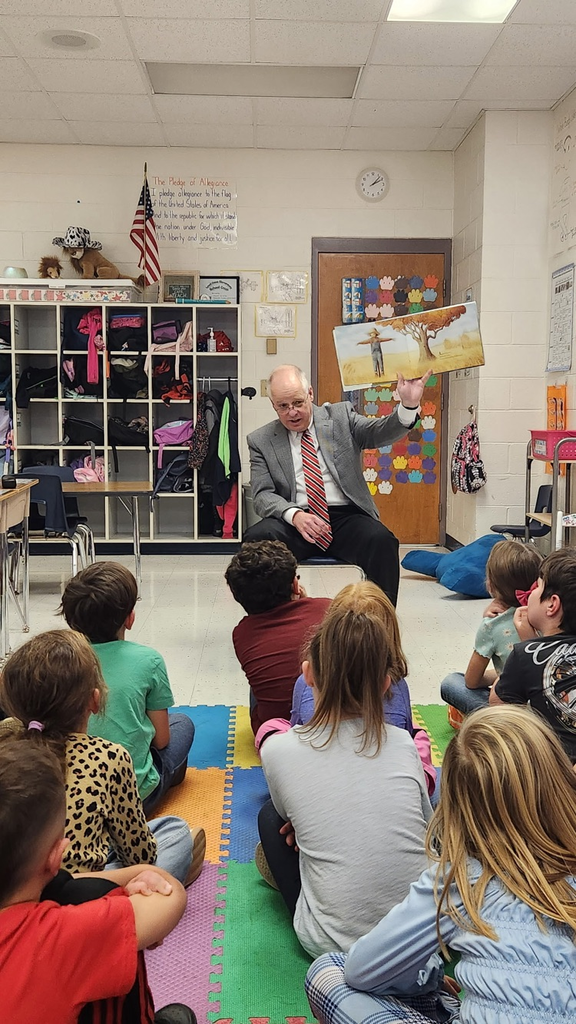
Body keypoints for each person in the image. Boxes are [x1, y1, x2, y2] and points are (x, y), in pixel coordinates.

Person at [305, 706, 576, 1024]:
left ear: (455, 806)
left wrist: (428, 976)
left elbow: (361, 971)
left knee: (328, 973)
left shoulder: (460, 880)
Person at [257, 592, 432, 958]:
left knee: (271, 818)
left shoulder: (277, 750)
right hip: (426, 938)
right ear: (388, 684)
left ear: (307, 674)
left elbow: (290, 817)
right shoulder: (403, 743)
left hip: (332, 946)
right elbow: (428, 839)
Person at [0, 738, 195, 1024]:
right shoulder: (56, 939)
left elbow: (67, 879)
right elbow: (171, 895)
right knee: (173, 834)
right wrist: (129, 884)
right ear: (57, 856)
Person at [0, 629, 204, 887]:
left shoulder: (7, 742)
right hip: (80, 895)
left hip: (13, 887)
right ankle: (147, 890)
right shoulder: (109, 757)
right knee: (174, 831)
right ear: (94, 701)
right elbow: (139, 855)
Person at [244, 364, 431, 606]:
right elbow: (262, 495)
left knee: (382, 541)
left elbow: (378, 433)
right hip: (295, 520)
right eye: (283, 406)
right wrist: (295, 515)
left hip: (346, 518)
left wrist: (407, 407)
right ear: (273, 406)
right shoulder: (261, 440)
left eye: (298, 402)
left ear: (310, 394)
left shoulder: (341, 417)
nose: (292, 413)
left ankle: (379, 625)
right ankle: (270, 621)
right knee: (257, 539)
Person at [60, 561, 195, 815]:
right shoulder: (148, 660)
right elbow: (162, 739)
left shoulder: (57, 660)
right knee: (183, 724)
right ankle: (169, 778)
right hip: (132, 801)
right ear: (130, 618)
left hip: (70, 800)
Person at [286, 582, 437, 798]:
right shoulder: (398, 687)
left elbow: (296, 733)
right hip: (388, 796)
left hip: (315, 793)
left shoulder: (304, 683)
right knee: (418, 736)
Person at [225, 540, 331, 733]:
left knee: (263, 674)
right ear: (296, 584)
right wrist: (306, 602)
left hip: (276, 734)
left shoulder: (241, 634)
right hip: (339, 724)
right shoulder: (328, 607)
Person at [490, 547, 576, 763]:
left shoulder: (524, 653)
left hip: (553, 772)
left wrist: (529, 643)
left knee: (455, 685)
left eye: (537, 588)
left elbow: (498, 706)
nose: (530, 594)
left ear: (552, 604)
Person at [440, 540, 543, 718]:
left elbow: (471, 681)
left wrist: (499, 675)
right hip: (545, 709)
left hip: (511, 714)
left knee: (451, 682)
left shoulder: (491, 626)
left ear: (491, 585)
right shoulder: (547, 614)